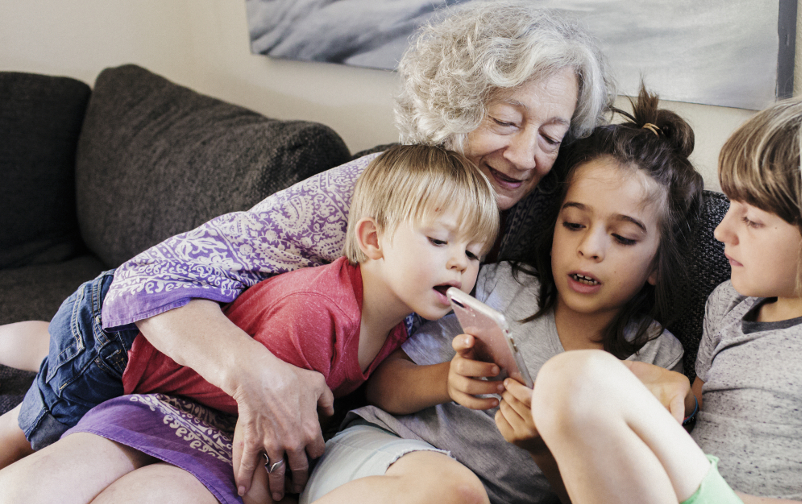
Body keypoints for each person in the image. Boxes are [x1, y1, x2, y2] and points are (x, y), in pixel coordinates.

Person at [0, 1, 615, 501]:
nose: (526, 155)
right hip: (130, 337)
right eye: (506, 121)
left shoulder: (513, 212)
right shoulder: (371, 191)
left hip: (197, 386)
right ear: (455, 109)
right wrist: (261, 377)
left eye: (551, 135)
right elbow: (148, 281)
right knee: (27, 440)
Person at [531, 86, 802, 504]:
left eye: (753, 220)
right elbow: (705, 415)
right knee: (571, 390)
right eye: (729, 209)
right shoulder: (729, 304)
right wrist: (679, 392)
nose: (723, 232)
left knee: (577, 378)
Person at [0, 144, 500, 504]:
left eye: (474, 252)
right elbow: (266, 452)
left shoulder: (402, 318)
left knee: (48, 342)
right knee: (33, 432)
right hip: (135, 359)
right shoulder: (317, 313)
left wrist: (449, 380)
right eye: (439, 241)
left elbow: (378, 391)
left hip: (188, 395)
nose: (461, 264)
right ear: (372, 239)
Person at [297, 87, 704, 504]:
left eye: (622, 237)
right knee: (453, 491)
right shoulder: (497, 287)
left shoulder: (654, 360)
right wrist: (446, 379)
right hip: (381, 453)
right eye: (574, 224)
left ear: (657, 264)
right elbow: (380, 386)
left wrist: (540, 449)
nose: (591, 248)